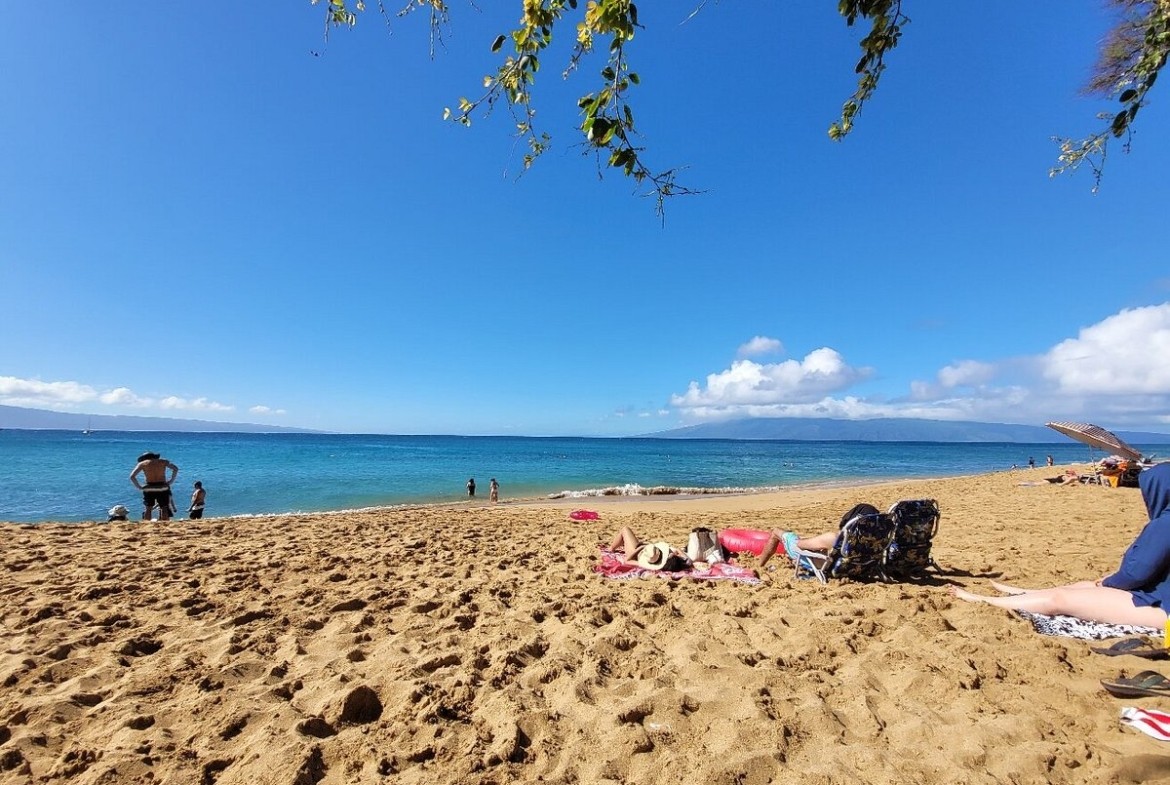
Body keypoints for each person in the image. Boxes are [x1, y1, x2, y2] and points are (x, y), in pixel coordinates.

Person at [951, 462, 1170, 627]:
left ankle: (982, 600)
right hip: (1160, 594)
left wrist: (1111, 582)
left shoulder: (1165, 523)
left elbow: (1136, 572)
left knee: (1061, 599)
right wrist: (1107, 582)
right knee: (1089, 584)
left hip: (1161, 608)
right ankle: (1023, 593)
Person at [758, 503, 879, 568]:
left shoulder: (833, 538)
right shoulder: (877, 544)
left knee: (776, 532)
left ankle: (759, 566)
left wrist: (813, 543)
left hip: (825, 565)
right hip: (853, 568)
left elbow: (799, 545)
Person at [607, 526, 690, 571]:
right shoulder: (670, 563)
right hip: (643, 550)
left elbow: (627, 560)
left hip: (635, 552)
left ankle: (611, 548)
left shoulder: (646, 564)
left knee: (625, 529)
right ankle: (621, 543)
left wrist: (641, 548)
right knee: (627, 538)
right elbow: (680, 553)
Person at [130, 451, 179, 521]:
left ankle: (147, 525)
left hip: (149, 487)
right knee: (164, 507)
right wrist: (171, 480)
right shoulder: (163, 461)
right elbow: (175, 468)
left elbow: (132, 476)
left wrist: (139, 487)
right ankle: (165, 525)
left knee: (148, 508)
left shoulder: (142, 463)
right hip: (162, 486)